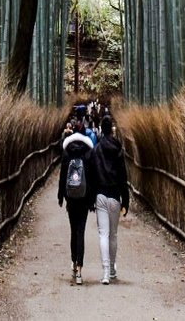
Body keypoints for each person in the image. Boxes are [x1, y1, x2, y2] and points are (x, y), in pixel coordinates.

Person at [91, 114, 130, 284]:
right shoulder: (118, 150)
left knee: (103, 234)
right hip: (115, 196)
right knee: (113, 235)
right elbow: (123, 177)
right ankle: (113, 268)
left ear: (101, 129)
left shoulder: (96, 150)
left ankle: (105, 272)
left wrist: (91, 198)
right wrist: (126, 201)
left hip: (100, 195)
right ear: (112, 129)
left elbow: (92, 174)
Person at [58, 123, 96, 285]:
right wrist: (92, 199)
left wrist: (61, 196)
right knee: (81, 231)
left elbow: (62, 178)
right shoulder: (88, 154)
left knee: (73, 230)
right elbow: (93, 179)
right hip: (84, 199)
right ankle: (80, 269)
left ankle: (73, 262)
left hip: (71, 199)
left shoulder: (67, 155)